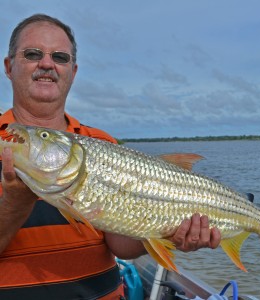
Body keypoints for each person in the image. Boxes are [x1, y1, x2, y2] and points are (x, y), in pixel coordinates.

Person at [0, 14, 221, 300]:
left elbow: (121, 244)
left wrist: (170, 231)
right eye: (32, 54)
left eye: (60, 57)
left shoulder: (102, 144)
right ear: (9, 66)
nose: (47, 63)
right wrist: (15, 204)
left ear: (73, 72)